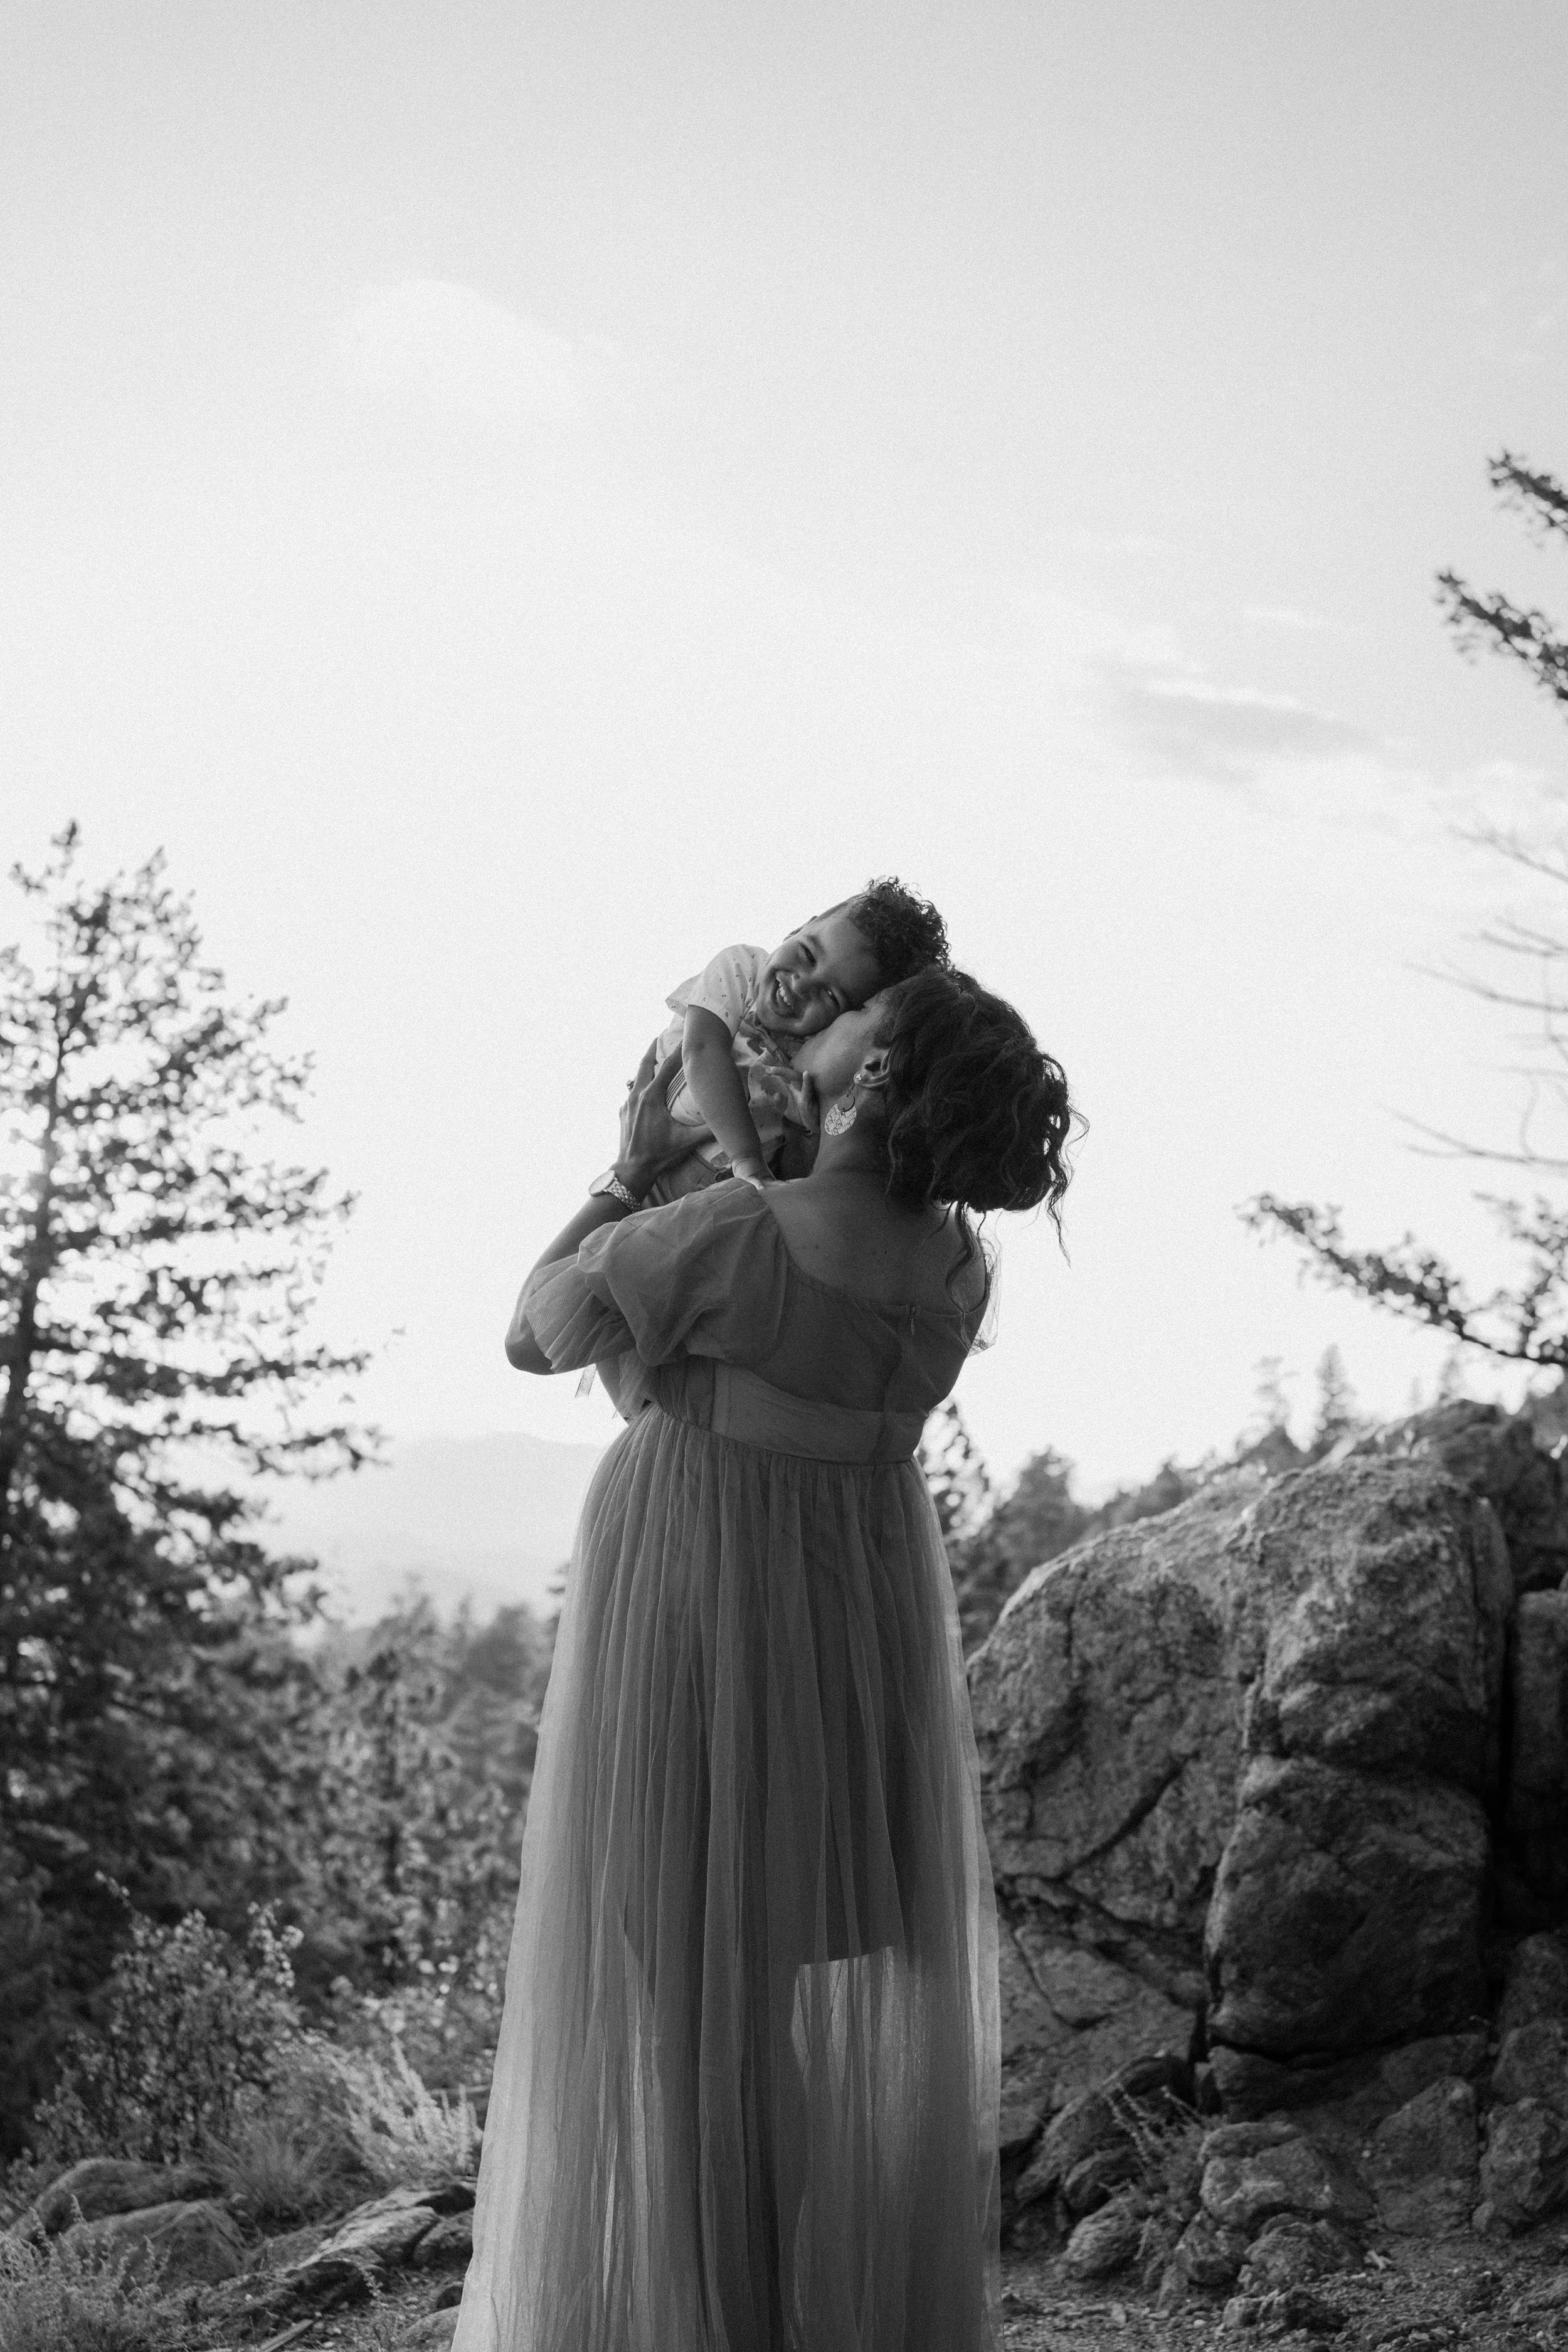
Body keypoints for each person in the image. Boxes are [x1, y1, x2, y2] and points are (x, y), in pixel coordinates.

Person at [453, 966, 1075, 2352]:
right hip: (839, 1624)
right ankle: (773, 2312)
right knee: (761, 1990)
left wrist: (622, 1176)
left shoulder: (736, 1233)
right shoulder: (955, 1266)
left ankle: (720, 2323)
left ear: (867, 1079)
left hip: (693, 1600)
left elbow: (525, 1330)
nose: (822, 1019)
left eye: (857, 1017)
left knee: (688, 2004)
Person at [600, 876, 949, 1205]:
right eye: (808, 954)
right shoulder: (742, 970)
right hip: (665, 1166)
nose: (800, 984)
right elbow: (702, 1053)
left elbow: (796, 1162)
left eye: (830, 995)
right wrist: (748, 1161)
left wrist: (808, 1130)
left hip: (715, 1198)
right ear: (800, 928)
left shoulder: (817, 1054)